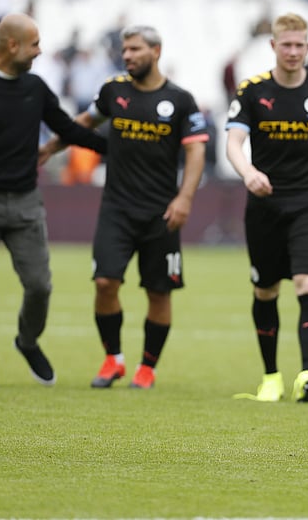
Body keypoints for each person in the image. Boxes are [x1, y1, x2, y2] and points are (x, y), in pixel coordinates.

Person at [43, 25, 208, 390]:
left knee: (159, 292)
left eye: (135, 49)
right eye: (125, 50)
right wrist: (49, 149)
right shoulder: (113, 90)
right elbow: (84, 123)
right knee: (105, 283)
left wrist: (184, 198)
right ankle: (113, 360)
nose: (128, 55)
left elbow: (196, 150)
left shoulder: (180, 100)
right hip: (116, 208)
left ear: (156, 51)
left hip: (161, 213)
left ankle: (146, 368)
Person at [0, 12, 107, 391]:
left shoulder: (36, 88)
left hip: (26, 202)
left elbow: (68, 129)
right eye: (35, 44)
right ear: (12, 45)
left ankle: (26, 341)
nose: (40, 51)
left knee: (40, 285)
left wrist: (115, 148)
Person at [225, 13, 308, 403]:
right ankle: (271, 376)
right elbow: (234, 142)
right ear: (273, 46)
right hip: (264, 205)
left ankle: (307, 373)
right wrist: (248, 172)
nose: (293, 51)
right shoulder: (252, 91)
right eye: (286, 44)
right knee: (265, 291)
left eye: (300, 45)